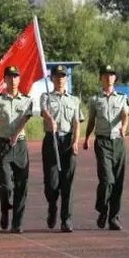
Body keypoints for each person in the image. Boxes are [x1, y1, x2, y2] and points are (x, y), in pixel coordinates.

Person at [0, 66, 33, 234]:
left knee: (21, 185)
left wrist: (17, 134)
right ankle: (5, 208)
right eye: (10, 77)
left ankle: (17, 223)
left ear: (19, 80)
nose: (13, 80)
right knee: (6, 185)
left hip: (20, 146)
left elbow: (25, 118)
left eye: (16, 77)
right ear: (4, 80)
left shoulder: (26, 100)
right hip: (4, 145)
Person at [84, 65, 129, 231]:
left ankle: (113, 217)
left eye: (111, 75)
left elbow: (125, 115)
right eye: (105, 75)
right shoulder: (95, 99)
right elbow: (91, 121)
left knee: (118, 182)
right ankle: (102, 208)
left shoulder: (122, 97)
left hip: (118, 142)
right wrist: (87, 138)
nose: (108, 78)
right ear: (101, 78)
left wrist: (124, 127)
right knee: (107, 180)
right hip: (102, 142)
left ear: (115, 78)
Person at [40, 65, 84, 232]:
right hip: (51, 140)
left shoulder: (74, 100)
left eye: (63, 76)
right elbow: (44, 111)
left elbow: (76, 123)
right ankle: (52, 206)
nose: (60, 79)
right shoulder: (46, 96)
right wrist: (49, 118)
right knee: (52, 184)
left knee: (68, 182)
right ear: (52, 78)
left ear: (66, 79)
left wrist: (75, 142)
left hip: (68, 141)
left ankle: (66, 220)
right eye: (57, 76)